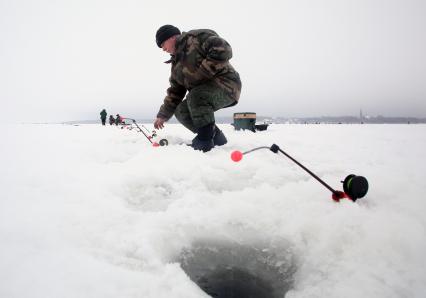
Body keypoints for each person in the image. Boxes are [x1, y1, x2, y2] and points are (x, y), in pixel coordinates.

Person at [153, 25, 242, 152]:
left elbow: (223, 48)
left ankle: (205, 140)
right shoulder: (176, 65)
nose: (163, 49)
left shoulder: (196, 38)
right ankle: (216, 137)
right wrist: (163, 115)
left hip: (227, 85)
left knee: (195, 96)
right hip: (203, 93)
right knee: (181, 110)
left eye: (162, 44)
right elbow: (175, 92)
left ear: (172, 37)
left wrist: (203, 73)